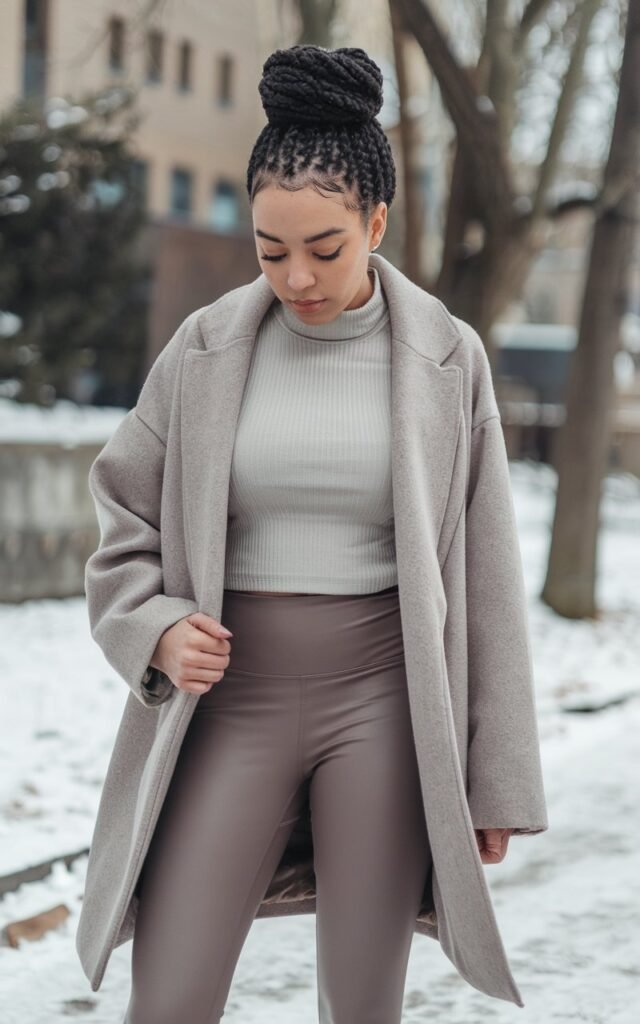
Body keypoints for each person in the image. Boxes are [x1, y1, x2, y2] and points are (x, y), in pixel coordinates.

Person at [78, 43, 548, 1024]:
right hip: (229, 697)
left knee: (362, 1004)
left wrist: (495, 775)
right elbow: (121, 517)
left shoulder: (447, 360)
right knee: (166, 995)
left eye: (325, 248)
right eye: (268, 247)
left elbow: (489, 576)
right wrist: (155, 625)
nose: (295, 276)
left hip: (385, 699)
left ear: (375, 223)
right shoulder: (205, 348)